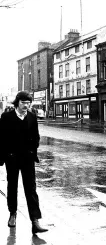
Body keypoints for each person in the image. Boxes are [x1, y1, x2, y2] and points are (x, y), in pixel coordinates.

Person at [0, 91, 48, 234]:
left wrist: (33, 151)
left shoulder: (32, 117)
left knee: (31, 189)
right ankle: (12, 214)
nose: (26, 106)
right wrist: (2, 157)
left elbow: (36, 137)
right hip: (12, 158)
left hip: (27, 158)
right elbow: (1, 138)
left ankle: (35, 221)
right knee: (12, 186)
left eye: (28, 103)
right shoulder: (6, 117)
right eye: (23, 103)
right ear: (17, 103)